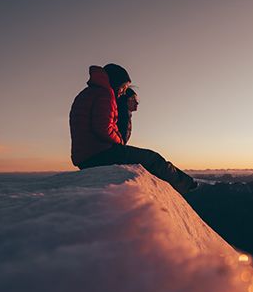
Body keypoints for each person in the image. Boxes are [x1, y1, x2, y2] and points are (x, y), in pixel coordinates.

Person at [69, 64, 197, 194]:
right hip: (99, 154)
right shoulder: (105, 94)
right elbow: (103, 128)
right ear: (115, 82)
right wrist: (119, 141)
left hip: (85, 156)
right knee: (152, 159)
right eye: (123, 87)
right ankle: (188, 186)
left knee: (148, 158)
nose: (123, 92)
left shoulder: (87, 93)